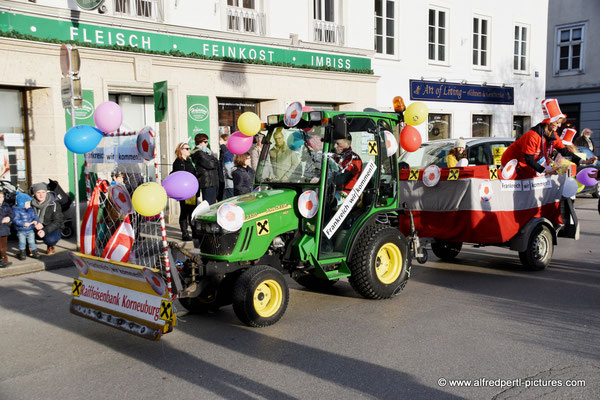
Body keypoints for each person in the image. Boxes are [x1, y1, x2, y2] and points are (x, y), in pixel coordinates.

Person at [501, 99, 597, 179]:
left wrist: (583, 161)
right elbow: (529, 160)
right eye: (557, 123)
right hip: (513, 167)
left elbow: (564, 151)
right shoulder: (532, 136)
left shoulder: (553, 135)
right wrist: (545, 170)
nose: (559, 126)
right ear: (550, 122)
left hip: (530, 168)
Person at [172, 142, 197, 241]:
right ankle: (184, 233)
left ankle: (194, 231)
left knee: (192, 212)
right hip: (183, 191)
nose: (189, 150)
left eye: (189, 148)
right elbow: (179, 176)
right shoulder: (178, 162)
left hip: (192, 190)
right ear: (180, 150)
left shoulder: (189, 161)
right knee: (184, 212)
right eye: (186, 148)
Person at [30, 182, 63, 255]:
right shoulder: (30, 203)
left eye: (43, 192)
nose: (41, 195)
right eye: (38, 192)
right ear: (34, 194)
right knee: (23, 232)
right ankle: (29, 247)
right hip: (35, 226)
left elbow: (57, 221)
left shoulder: (54, 204)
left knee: (50, 239)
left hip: (50, 226)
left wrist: (44, 231)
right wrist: (35, 223)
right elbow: (25, 217)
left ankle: (50, 246)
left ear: (46, 192)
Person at [190, 133, 219, 205]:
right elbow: (211, 164)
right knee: (208, 205)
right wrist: (214, 159)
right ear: (199, 142)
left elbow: (216, 162)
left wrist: (214, 160)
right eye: (205, 142)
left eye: (207, 142)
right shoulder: (198, 153)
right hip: (207, 182)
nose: (206, 144)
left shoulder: (207, 152)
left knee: (213, 205)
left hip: (213, 181)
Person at [13, 192, 39, 260]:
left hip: (30, 229)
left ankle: (34, 251)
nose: (29, 205)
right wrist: (23, 223)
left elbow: (35, 216)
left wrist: (35, 220)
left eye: (29, 203)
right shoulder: (16, 210)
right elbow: (15, 220)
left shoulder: (30, 209)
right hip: (21, 230)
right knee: (22, 242)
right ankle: (22, 253)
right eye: (27, 203)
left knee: (32, 241)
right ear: (21, 203)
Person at [219, 133, 234, 199]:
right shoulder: (223, 150)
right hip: (225, 177)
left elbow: (226, 155)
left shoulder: (227, 151)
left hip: (229, 181)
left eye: (221, 140)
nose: (219, 141)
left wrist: (222, 145)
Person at [0, 189, 13, 267]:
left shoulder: (5, 205)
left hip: (4, 230)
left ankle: (4, 259)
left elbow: (11, 213)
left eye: (2, 197)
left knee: (3, 247)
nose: (1, 199)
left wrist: (9, 217)